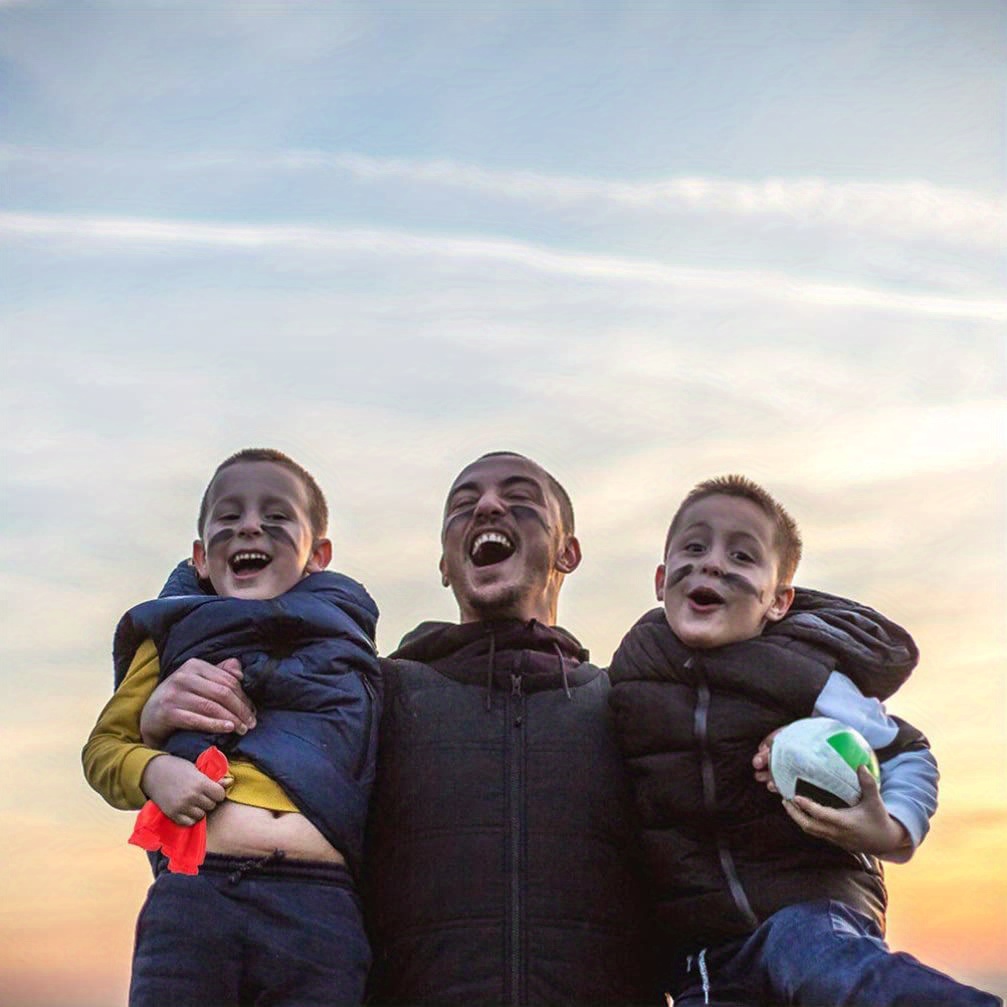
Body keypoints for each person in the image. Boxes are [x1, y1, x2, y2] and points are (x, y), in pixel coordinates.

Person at [135, 451, 656, 1005]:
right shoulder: (370, 693)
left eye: (520, 497)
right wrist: (157, 717)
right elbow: (235, 820)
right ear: (444, 565)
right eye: (462, 504)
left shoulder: (623, 707)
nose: (487, 506)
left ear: (567, 552)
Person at [608, 474, 1001, 1006]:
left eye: (743, 557)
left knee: (836, 978)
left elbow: (908, 751)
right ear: (660, 580)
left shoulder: (804, 675)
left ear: (778, 600)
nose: (714, 563)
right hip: (706, 954)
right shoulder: (629, 679)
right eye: (694, 547)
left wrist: (889, 829)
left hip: (811, 912)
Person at [82, 448, 381, 1007]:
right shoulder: (171, 636)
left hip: (323, 909)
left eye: (276, 516)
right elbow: (103, 749)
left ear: (318, 555)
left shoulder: (352, 648)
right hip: (199, 894)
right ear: (199, 556)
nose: (250, 525)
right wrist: (156, 768)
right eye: (228, 517)